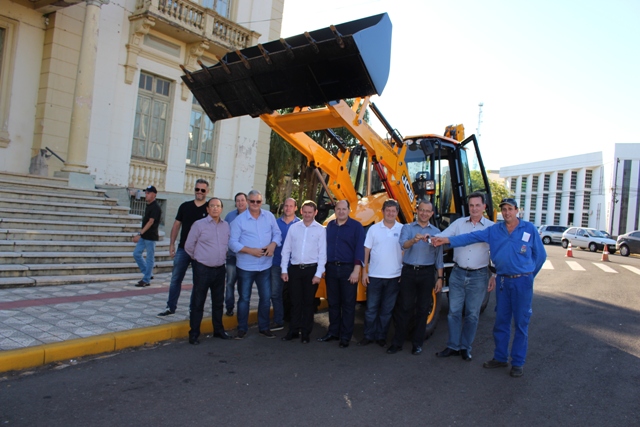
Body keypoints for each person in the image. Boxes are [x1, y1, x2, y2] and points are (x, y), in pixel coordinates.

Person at [432, 198, 546, 378]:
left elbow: (540, 256)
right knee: (501, 321)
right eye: (504, 209)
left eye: (510, 209)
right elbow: (470, 237)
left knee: (521, 323)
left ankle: (517, 362)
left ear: (517, 210)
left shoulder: (529, 229)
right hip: (503, 281)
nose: (507, 212)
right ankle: (500, 357)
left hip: (522, 282)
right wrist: (445, 239)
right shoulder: (495, 230)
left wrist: (529, 276)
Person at [434, 192, 495, 361]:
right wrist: (430, 238)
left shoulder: (491, 227)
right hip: (458, 273)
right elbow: (443, 236)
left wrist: (494, 275)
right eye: (471, 205)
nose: (474, 209)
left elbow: (496, 253)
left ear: (484, 207)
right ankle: (453, 346)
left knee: (472, 314)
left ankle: (465, 348)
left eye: (477, 205)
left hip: (479, 276)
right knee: (453, 312)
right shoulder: (459, 223)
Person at [387, 199, 444, 356]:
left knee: (423, 308)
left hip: (427, 273)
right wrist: (414, 240)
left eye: (428, 211)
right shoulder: (408, 228)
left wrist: (440, 278)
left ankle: (417, 344)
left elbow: (439, 258)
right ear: (417, 211)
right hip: (409, 271)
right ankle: (397, 342)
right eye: (422, 210)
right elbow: (403, 245)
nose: (424, 213)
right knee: (404, 307)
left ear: (431, 214)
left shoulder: (437, 232)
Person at [229, 190, 281, 339]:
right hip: (246, 266)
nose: (255, 204)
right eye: (252, 201)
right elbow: (232, 243)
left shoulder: (269, 217)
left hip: (265, 266)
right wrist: (250, 250)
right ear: (247, 202)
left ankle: (264, 327)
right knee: (244, 298)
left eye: (258, 201)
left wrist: (273, 245)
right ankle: (242, 328)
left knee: (265, 298)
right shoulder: (239, 221)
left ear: (261, 202)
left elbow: (277, 234)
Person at [157, 179, 209, 317]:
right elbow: (176, 225)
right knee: (176, 279)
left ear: (207, 191)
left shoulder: (210, 208)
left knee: (198, 282)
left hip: (201, 252)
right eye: (197, 189)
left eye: (202, 190)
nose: (199, 192)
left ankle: (194, 309)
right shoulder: (185, 206)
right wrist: (171, 244)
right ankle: (170, 307)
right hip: (183, 249)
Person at [184, 198, 233, 344]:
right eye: (212, 206)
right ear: (207, 209)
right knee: (198, 302)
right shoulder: (199, 225)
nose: (215, 208)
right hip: (202, 269)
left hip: (220, 269)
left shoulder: (226, 226)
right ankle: (194, 333)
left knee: (218, 302)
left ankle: (218, 330)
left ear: (221, 209)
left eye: (218, 206)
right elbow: (189, 246)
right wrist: (199, 258)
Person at [318, 200, 365, 348]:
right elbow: (324, 247)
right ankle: (333, 332)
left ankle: (345, 336)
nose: (341, 211)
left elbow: (360, 249)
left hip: (348, 270)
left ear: (349, 210)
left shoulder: (356, 227)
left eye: (344, 209)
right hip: (331, 268)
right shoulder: (330, 226)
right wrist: (323, 267)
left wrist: (356, 270)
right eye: (338, 209)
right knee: (333, 303)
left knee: (348, 305)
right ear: (335, 210)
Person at [280, 201, 326, 343]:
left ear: (315, 213)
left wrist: (318, 274)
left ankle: (305, 333)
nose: (307, 215)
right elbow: (286, 250)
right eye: (305, 212)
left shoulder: (320, 230)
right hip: (294, 270)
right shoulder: (294, 228)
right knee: (295, 302)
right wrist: (284, 270)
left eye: (310, 212)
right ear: (301, 211)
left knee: (308, 303)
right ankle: (293, 331)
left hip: (311, 270)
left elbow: (322, 254)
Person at [360, 199, 403, 348]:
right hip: (374, 276)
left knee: (386, 310)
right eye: (388, 210)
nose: (390, 213)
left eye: (393, 211)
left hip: (394, 277)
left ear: (397, 213)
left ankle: (381, 336)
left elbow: (406, 251)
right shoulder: (374, 229)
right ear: (383, 211)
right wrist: (364, 272)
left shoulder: (403, 229)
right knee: (371, 309)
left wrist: (403, 272)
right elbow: (366, 251)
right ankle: (368, 336)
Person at [271, 198, 300, 331]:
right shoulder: (275, 223)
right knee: (275, 293)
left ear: (295, 208)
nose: (288, 208)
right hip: (277, 263)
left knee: (294, 295)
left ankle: (294, 322)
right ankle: (279, 320)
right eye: (286, 206)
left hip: (294, 265)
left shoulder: (300, 224)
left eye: (291, 206)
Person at [132, 185, 162, 287]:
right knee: (136, 254)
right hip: (144, 236)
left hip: (150, 237)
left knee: (149, 258)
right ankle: (148, 274)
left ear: (154, 195)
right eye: (146, 193)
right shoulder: (148, 205)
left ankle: (146, 280)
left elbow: (150, 222)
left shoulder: (156, 207)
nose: (146, 195)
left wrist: (140, 234)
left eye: (148, 193)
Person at [224, 192, 247, 317]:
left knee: (243, 285)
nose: (240, 203)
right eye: (238, 200)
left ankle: (242, 308)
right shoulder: (230, 216)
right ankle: (229, 307)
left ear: (246, 201)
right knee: (230, 283)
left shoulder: (252, 215)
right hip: (232, 256)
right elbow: (225, 234)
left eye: (242, 200)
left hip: (246, 257)